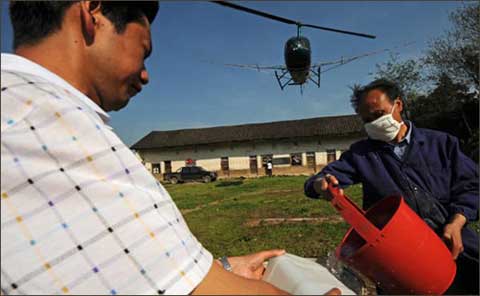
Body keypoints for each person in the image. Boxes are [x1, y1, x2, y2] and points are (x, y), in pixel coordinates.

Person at [0, 1, 342, 295]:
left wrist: (215, 268)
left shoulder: (22, 110)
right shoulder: (56, 130)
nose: (145, 75)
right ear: (93, 12)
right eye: (143, 51)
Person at [304, 78, 479, 294]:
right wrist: (321, 184)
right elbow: (320, 180)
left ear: (398, 105)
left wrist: (456, 222)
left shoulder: (442, 144)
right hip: (400, 260)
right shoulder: (362, 154)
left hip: (454, 247)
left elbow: (471, 187)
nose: (374, 123)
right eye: (367, 120)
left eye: (379, 115)